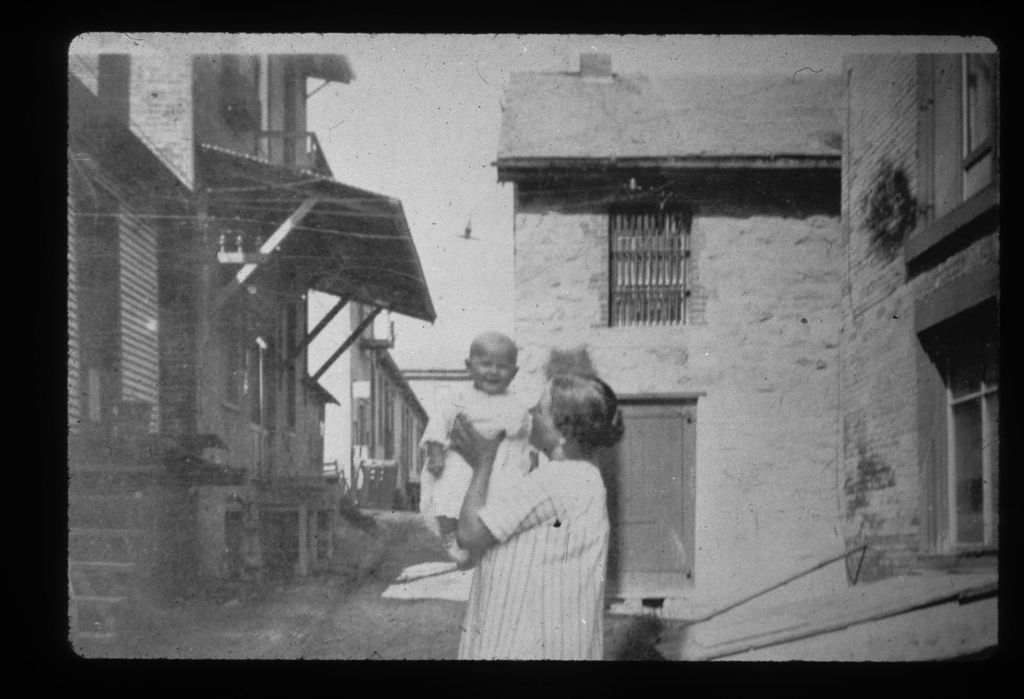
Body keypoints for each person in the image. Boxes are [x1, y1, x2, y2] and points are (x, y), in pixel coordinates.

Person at [450, 373, 625, 660]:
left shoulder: (556, 479)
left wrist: (482, 463)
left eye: (541, 409)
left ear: (565, 432)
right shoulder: (584, 475)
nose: (531, 412)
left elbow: (469, 535)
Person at [418, 332, 534, 567]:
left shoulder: (516, 403)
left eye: (502, 367)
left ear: (514, 373)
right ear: (469, 366)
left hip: (501, 462)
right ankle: (451, 535)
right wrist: (436, 452)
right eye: (486, 364)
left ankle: (486, 541)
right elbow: (440, 421)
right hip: (460, 459)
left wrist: (527, 457)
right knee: (447, 487)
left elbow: (524, 433)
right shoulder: (458, 397)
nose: (493, 371)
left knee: (503, 496)